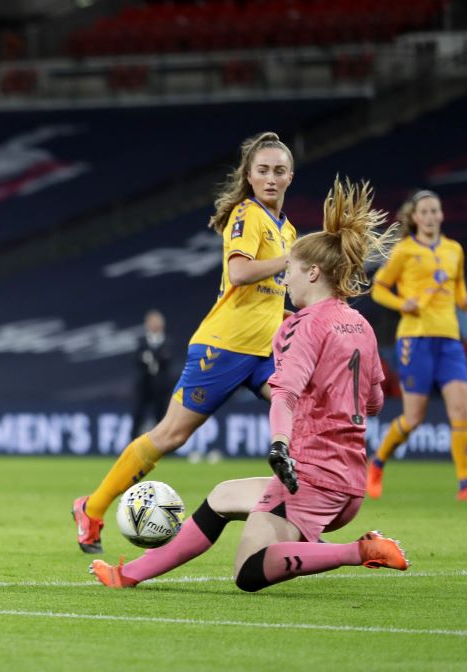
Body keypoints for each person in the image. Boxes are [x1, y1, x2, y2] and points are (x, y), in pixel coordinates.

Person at [92, 178, 409, 590]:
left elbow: (285, 393)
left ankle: (360, 550)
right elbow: (375, 402)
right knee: (223, 496)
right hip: (349, 478)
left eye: (290, 271)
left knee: (248, 571)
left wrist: (280, 443)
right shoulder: (360, 325)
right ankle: (128, 575)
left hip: (309, 475)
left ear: (313, 272)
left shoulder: (301, 325)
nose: (285, 281)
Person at [74, 132, 297, 553]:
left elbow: (268, 298)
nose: (270, 178)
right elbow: (240, 274)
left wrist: (299, 316)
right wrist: (294, 259)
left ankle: (295, 512)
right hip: (224, 347)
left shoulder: (287, 230)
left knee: (297, 411)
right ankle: (93, 506)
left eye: (278, 171)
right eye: (263, 170)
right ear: (249, 176)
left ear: (290, 177)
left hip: (263, 351)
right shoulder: (248, 216)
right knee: (172, 435)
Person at [367, 189, 467, 501]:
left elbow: (460, 292)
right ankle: (378, 463)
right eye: (423, 211)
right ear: (414, 217)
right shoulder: (404, 251)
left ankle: (465, 485)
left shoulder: (454, 250)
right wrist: (403, 303)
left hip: (450, 340)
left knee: (462, 411)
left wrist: (464, 301)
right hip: (415, 339)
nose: (429, 216)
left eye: (434, 211)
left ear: (440, 215)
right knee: (413, 419)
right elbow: (378, 289)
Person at [131, 309, 172, 435]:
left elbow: (167, 361)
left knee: (161, 416)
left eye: (156, 322)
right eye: (151, 322)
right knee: (138, 415)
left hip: (161, 387)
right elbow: (136, 360)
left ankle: (164, 447)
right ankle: (132, 443)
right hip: (144, 385)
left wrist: (151, 358)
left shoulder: (167, 341)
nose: (154, 325)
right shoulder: (142, 341)